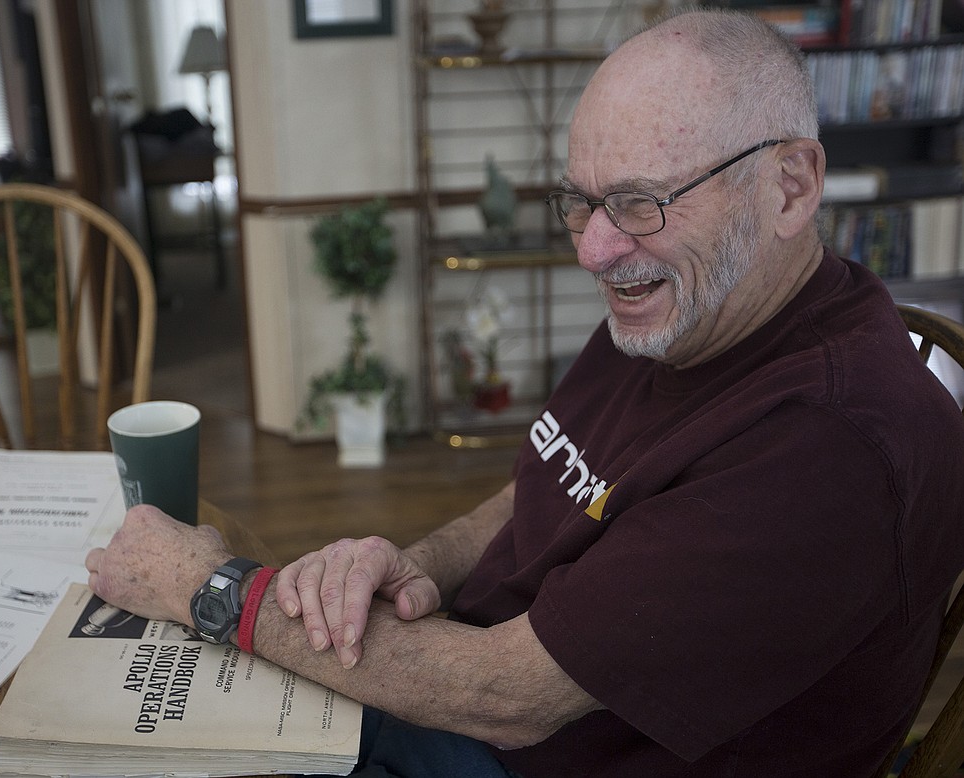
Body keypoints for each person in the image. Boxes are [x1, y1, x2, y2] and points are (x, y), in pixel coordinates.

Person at [86, 9, 964, 776]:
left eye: (640, 202)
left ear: (791, 186)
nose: (594, 250)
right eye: (581, 203)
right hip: (470, 688)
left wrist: (213, 589)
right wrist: (415, 564)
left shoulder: (830, 445)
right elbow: (553, 482)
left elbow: (511, 698)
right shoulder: (691, 303)